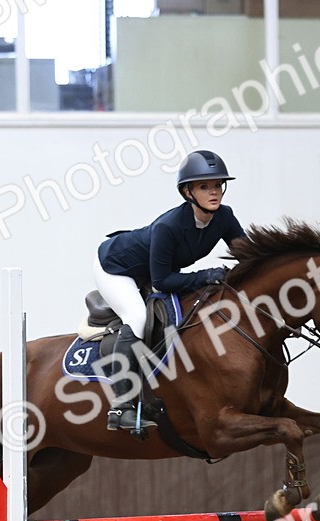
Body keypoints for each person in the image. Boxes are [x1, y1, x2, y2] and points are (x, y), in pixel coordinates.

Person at [94, 149, 247, 431]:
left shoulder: (224, 217)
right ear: (188, 192)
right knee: (137, 318)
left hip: (152, 268)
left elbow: (248, 256)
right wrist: (206, 275)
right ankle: (121, 408)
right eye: (204, 186)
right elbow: (162, 282)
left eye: (218, 185)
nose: (214, 192)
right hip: (116, 268)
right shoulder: (168, 226)